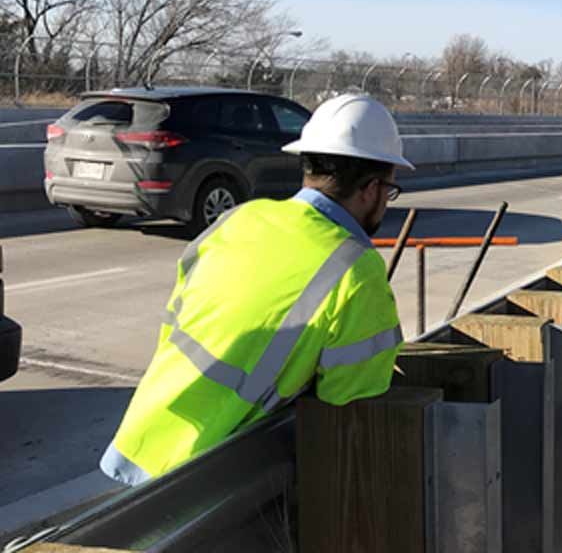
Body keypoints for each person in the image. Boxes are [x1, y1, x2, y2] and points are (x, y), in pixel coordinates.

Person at [100, 94, 413, 485]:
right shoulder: (355, 268)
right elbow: (350, 404)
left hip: (139, 443)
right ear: (371, 189)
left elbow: (176, 322)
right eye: (389, 190)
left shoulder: (239, 218)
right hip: (204, 475)